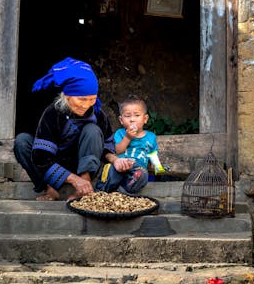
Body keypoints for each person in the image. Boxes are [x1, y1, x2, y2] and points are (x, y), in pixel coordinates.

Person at [13, 57, 134, 201]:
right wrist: (74, 180)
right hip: (55, 166)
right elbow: (42, 157)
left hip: (84, 164)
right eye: (81, 99)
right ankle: (50, 190)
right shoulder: (53, 114)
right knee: (22, 142)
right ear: (67, 96)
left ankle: (85, 186)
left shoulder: (98, 114)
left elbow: (106, 147)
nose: (86, 105)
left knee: (92, 130)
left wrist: (115, 160)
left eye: (92, 99)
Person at [97, 95, 158, 194]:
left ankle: (123, 192)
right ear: (121, 120)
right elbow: (116, 151)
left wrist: (157, 167)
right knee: (110, 169)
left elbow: (153, 154)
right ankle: (102, 192)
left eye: (137, 115)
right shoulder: (120, 133)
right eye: (127, 116)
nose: (132, 119)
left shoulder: (151, 137)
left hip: (137, 169)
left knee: (142, 174)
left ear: (145, 119)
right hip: (120, 164)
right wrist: (127, 137)